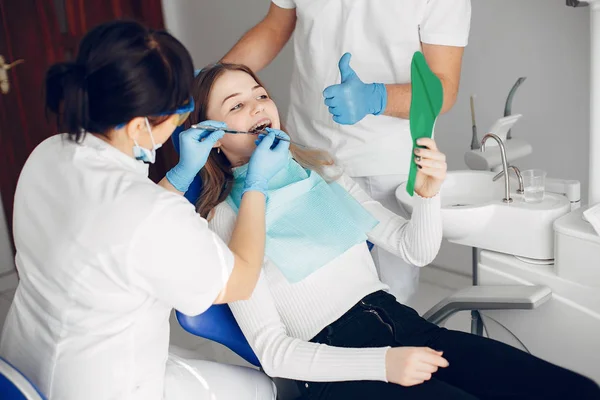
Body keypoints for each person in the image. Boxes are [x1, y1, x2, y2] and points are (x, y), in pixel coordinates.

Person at [188, 62, 600, 400]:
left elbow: (414, 249)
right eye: (236, 106)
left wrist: (427, 196)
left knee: (574, 392)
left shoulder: (321, 172)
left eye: (261, 95)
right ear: (213, 139)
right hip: (336, 372)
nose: (258, 107)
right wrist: (383, 363)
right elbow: (274, 353)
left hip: (408, 329)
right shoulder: (225, 220)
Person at [0, 21, 289, 400]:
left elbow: (127, 223)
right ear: (138, 126)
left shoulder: (50, 152)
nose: (184, 117)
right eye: (179, 112)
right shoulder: (147, 214)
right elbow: (240, 280)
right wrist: (256, 184)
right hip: (99, 387)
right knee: (270, 391)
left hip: (24, 363)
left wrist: (179, 176)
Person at [220, 0, 472, 303]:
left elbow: (444, 87)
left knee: (391, 297)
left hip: (384, 161)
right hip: (306, 154)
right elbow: (274, 27)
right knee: (314, 294)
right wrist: (210, 81)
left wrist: (376, 97)